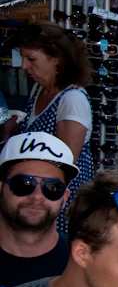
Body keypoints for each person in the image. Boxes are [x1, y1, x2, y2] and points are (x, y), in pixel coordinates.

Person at [4, 22, 94, 232]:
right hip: (39, 198)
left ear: (57, 61)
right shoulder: (39, 90)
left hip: (56, 203)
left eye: (31, 59)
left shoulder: (72, 100)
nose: (24, 66)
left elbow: (65, 162)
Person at [0, 131, 76, 287]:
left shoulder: (82, 265)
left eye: (52, 187)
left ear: (65, 197)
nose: (37, 197)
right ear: (1, 188)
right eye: (24, 184)